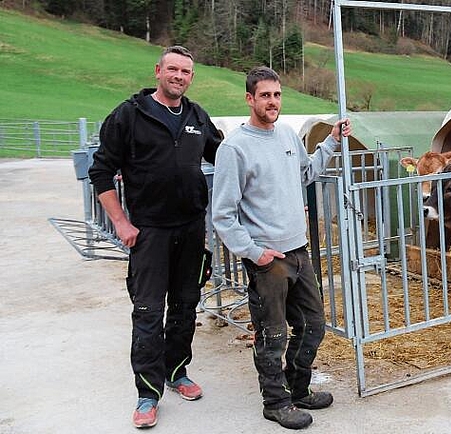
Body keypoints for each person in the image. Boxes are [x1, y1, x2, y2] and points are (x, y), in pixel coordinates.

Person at [88, 45, 222, 428]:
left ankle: (177, 372)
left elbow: (227, 157)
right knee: (148, 310)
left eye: (186, 72)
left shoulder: (197, 116)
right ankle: (148, 392)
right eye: (173, 69)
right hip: (150, 232)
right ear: (158, 71)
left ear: (191, 78)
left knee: (185, 305)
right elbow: (101, 171)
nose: (179, 76)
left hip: (192, 228)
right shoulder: (130, 115)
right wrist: (121, 222)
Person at [211, 66, 351, 430]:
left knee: (313, 325)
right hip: (267, 260)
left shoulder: (287, 135)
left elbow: (305, 174)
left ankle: (298, 388)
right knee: (272, 334)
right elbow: (223, 215)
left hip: (298, 251)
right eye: (265, 95)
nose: (272, 101)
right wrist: (254, 252)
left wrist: (332, 141)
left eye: (277, 95)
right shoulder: (235, 148)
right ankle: (275, 402)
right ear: (249, 99)